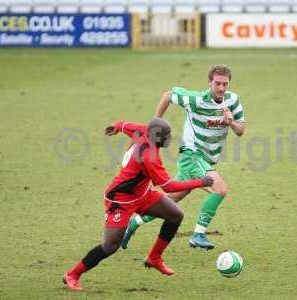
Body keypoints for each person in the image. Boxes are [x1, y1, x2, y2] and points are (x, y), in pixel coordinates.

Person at [63, 118, 214, 291]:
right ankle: (72, 274)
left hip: (142, 194)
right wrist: (199, 182)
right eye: (167, 135)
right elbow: (168, 186)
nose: (170, 138)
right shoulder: (149, 157)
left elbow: (125, 125)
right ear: (157, 137)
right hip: (120, 200)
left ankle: (154, 258)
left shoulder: (144, 131)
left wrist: (116, 126)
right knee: (110, 246)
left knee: (175, 215)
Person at [122, 64, 245, 250]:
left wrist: (231, 122)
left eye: (225, 84)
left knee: (170, 200)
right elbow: (167, 95)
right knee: (219, 189)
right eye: (217, 83)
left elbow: (240, 131)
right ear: (209, 82)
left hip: (208, 159)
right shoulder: (195, 99)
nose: (221, 88)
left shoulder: (233, 100)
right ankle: (198, 234)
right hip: (192, 155)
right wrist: (153, 125)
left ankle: (134, 223)